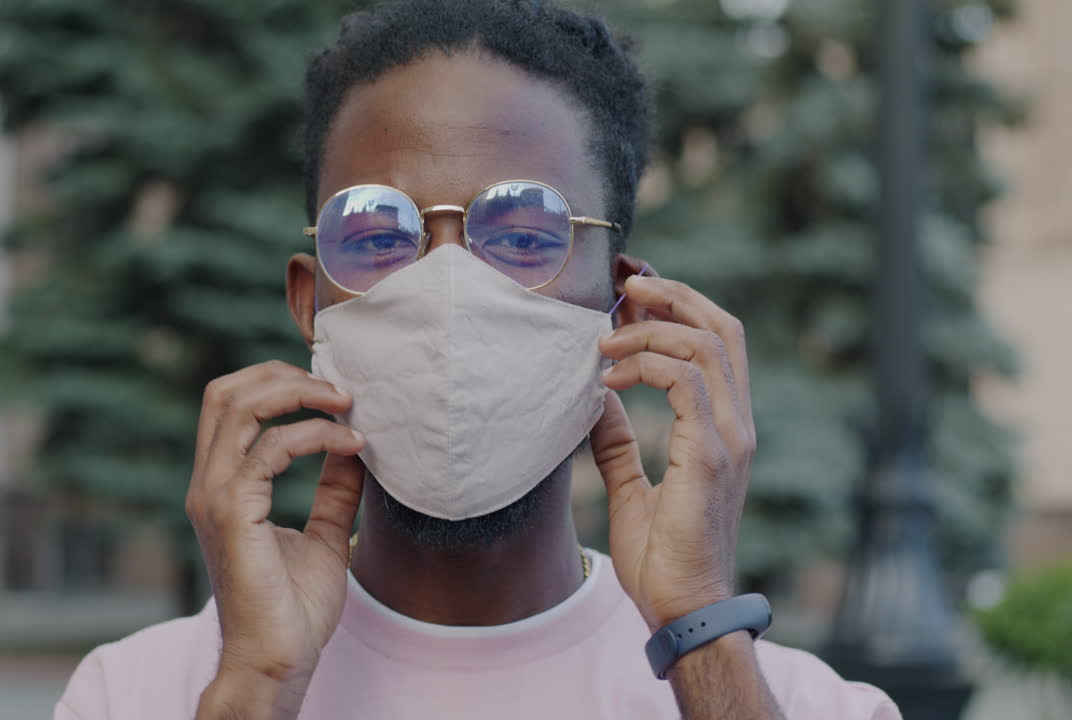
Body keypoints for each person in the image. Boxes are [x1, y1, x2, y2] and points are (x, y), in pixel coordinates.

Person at [56, 1, 900, 718]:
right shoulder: (134, 693)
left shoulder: (804, 703)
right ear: (311, 300)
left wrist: (700, 633)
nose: (447, 289)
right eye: (379, 231)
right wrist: (257, 686)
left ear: (625, 299)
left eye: (526, 233)